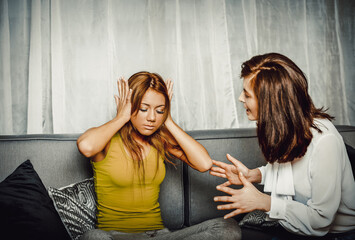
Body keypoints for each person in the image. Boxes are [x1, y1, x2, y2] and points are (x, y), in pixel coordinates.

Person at [77, 71, 240, 240]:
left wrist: (168, 120)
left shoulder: (160, 141)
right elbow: (86, 146)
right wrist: (121, 117)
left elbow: (204, 163)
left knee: (227, 227)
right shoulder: (107, 140)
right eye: (143, 109)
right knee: (93, 237)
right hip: (115, 236)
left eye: (159, 110)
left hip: (158, 236)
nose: (152, 117)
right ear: (130, 105)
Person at [210, 53, 355, 239]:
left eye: (246, 94)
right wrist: (252, 175)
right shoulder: (286, 126)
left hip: (336, 235)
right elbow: (293, 172)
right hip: (297, 226)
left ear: (270, 101)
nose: (240, 98)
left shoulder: (325, 141)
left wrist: (264, 202)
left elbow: (321, 221)